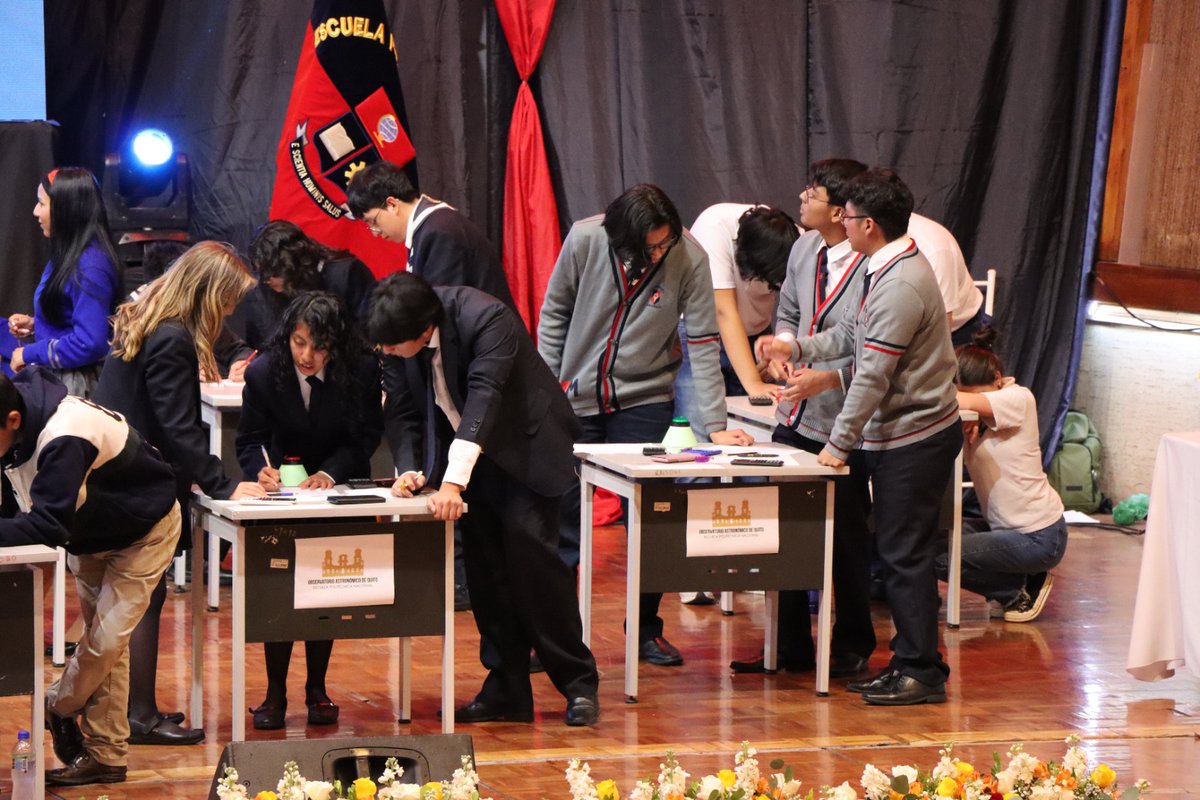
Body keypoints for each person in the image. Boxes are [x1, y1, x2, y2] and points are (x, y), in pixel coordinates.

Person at [760, 168, 962, 706]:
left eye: (847, 216)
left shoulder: (899, 282)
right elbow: (850, 334)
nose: (842, 223)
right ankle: (910, 662)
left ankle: (921, 670)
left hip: (916, 435)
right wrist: (794, 350)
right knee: (896, 552)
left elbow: (872, 375)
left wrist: (836, 445)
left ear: (868, 224)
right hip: (894, 433)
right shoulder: (883, 263)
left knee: (903, 555)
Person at [537, 184, 754, 667]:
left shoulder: (690, 257)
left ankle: (645, 630)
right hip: (576, 400)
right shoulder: (585, 239)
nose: (658, 252)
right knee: (562, 523)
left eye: (664, 243)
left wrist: (714, 424)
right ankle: (556, 638)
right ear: (621, 238)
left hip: (645, 402)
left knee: (653, 521)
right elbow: (554, 315)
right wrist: (547, 394)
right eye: (648, 246)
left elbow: (702, 342)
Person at [370, 272, 601, 726]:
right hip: (468, 458)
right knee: (486, 576)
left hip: (525, 451)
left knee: (536, 572)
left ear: (421, 333)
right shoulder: (398, 338)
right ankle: (506, 689)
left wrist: (453, 484)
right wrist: (411, 471)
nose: (386, 354)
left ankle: (578, 684)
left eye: (393, 346)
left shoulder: (485, 317)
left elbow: (484, 401)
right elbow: (400, 410)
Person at [94, 241, 266, 745]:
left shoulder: (149, 319)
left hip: (119, 474)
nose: (232, 310)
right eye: (230, 298)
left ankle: (136, 710)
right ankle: (138, 717)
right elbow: (179, 428)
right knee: (144, 596)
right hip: (136, 480)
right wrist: (225, 484)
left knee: (142, 595)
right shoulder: (171, 338)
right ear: (210, 292)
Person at [730, 159, 875, 678]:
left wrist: (826, 375)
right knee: (784, 526)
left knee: (848, 534)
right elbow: (788, 310)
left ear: (841, 211)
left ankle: (854, 641)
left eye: (811, 192)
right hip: (797, 406)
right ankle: (788, 644)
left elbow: (872, 346)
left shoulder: (872, 263)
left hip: (848, 416)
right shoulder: (803, 247)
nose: (801, 196)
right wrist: (780, 348)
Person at [0, 367, 180, 786]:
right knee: (105, 648)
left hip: (144, 530)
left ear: (12, 421)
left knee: (107, 640)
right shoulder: (14, 418)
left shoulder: (65, 435)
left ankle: (57, 704)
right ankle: (107, 755)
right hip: (88, 535)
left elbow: (46, 526)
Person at [235, 292, 383, 729]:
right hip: (282, 493)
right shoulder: (264, 372)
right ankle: (274, 692)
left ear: (336, 344)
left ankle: (317, 687)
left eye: (319, 347)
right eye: (300, 343)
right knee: (279, 590)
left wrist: (331, 474)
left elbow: (366, 435)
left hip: (336, 490)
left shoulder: (362, 368)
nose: (307, 355)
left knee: (326, 591)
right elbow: (248, 438)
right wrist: (260, 469)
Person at [936, 327, 1067, 622]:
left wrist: (954, 397)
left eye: (978, 395)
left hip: (1038, 535)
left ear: (997, 378)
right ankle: (1019, 582)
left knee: (942, 557)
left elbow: (959, 402)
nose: (973, 401)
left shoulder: (1019, 398)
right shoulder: (977, 415)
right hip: (1004, 529)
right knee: (926, 543)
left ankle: (1013, 592)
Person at [675, 203, 798, 431]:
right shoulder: (715, 227)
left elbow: (795, 309)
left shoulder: (794, 241)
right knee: (702, 427)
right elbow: (723, 310)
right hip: (703, 335)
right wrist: (752, 382)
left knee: (751, 427)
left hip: (756, 335)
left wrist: (781, 348)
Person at [1, 167, 121, 397]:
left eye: (42, 204)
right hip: (60, 378)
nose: (36, 211)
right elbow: (73, 316)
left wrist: (28, 353)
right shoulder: (69, 254)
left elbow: (90, 343)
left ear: (65, 209)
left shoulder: (91, 266)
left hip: (76, 388)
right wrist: (38, 322)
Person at [346, 160, 516, 309]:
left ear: (392, 204)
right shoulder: (428, 229)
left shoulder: (439, 232)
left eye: (373, 221)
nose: (375, 233)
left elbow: (444, 309)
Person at [229, 220, 377, 351]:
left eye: (271, 272)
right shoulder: (274, 288)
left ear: (291, 263)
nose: (266, 280)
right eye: (261, 272)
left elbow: (370, 335)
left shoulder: (347, 273)